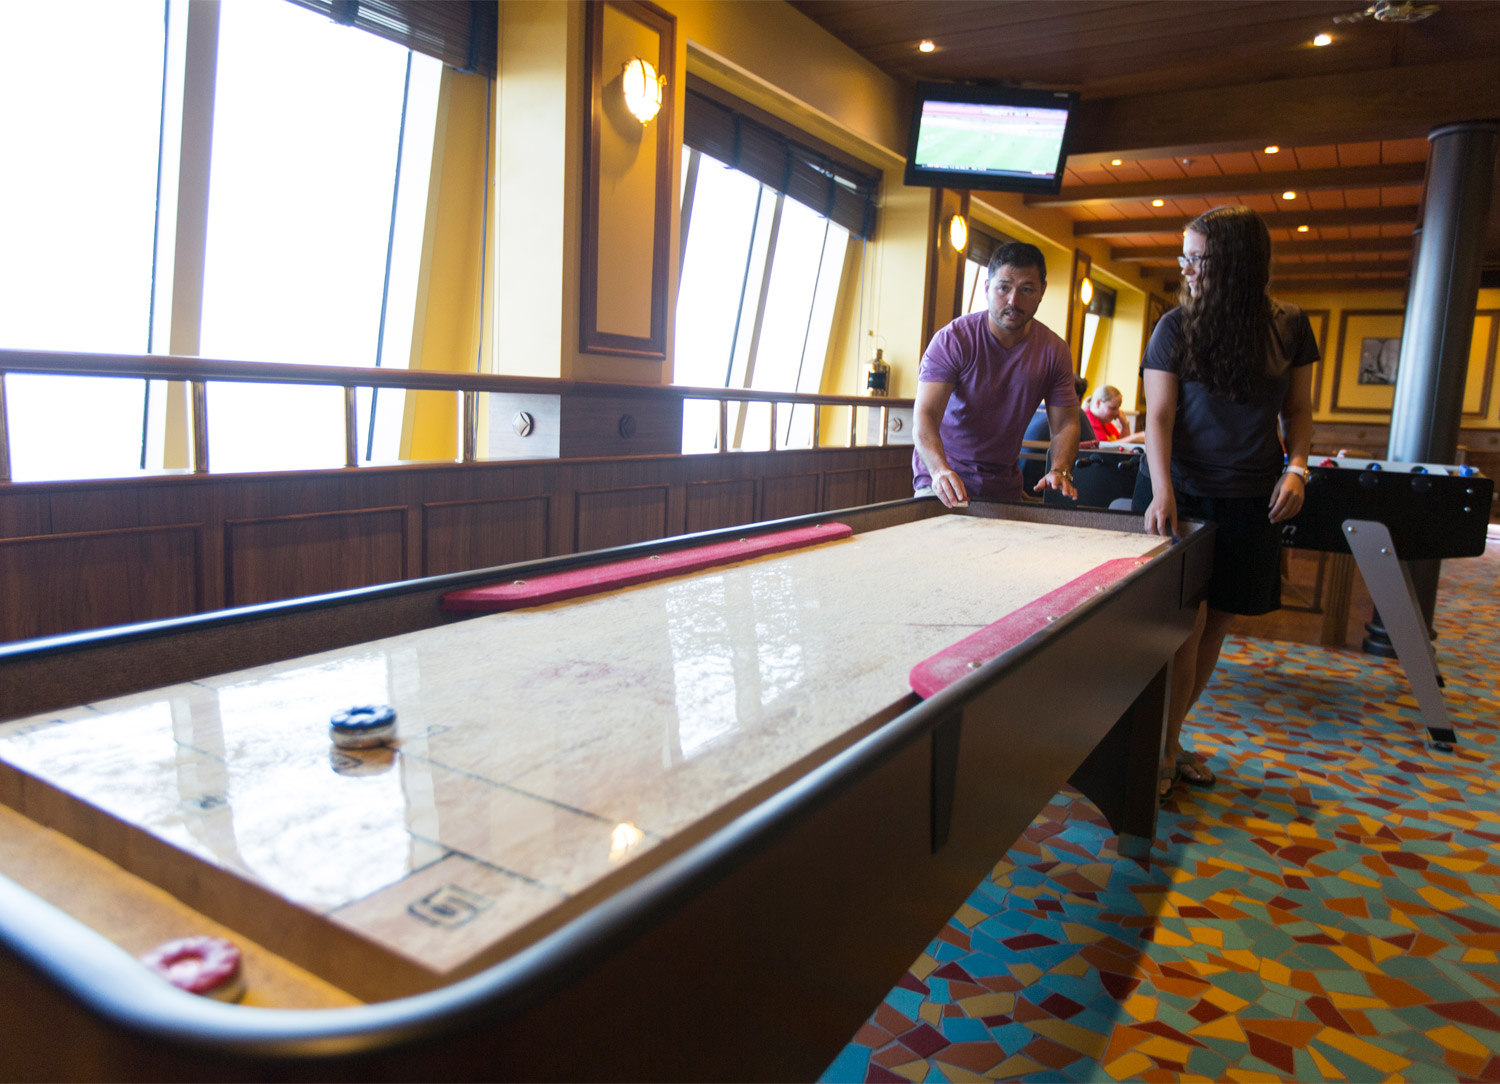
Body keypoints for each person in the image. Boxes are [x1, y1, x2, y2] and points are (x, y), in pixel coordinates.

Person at [1135, 205, 1317, 801]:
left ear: (1238, 263)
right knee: (1184, 629)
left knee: (1215, 628)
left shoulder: (1290, 325)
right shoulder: (1174, 327)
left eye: (1198, 258)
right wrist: (1163, 489)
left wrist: (1297, 468)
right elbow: (1159, 417)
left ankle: (1169, 740)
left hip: (1252, 497)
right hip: (1182, 493)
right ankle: (1162, 751)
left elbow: (1298, 412)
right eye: (1184, 256)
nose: (1185, 268)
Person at [914, 241, 1080, 506]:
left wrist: (1060, 469)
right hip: (942, 480)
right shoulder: (953, 340)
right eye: (1004, 288)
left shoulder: (1054, 350)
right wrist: (939, 470)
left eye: (1026, 289)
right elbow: (925, 415)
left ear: (1042, 292)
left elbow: (1065, 424)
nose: (1013, 300)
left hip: (1004, 485)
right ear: (987, 287)